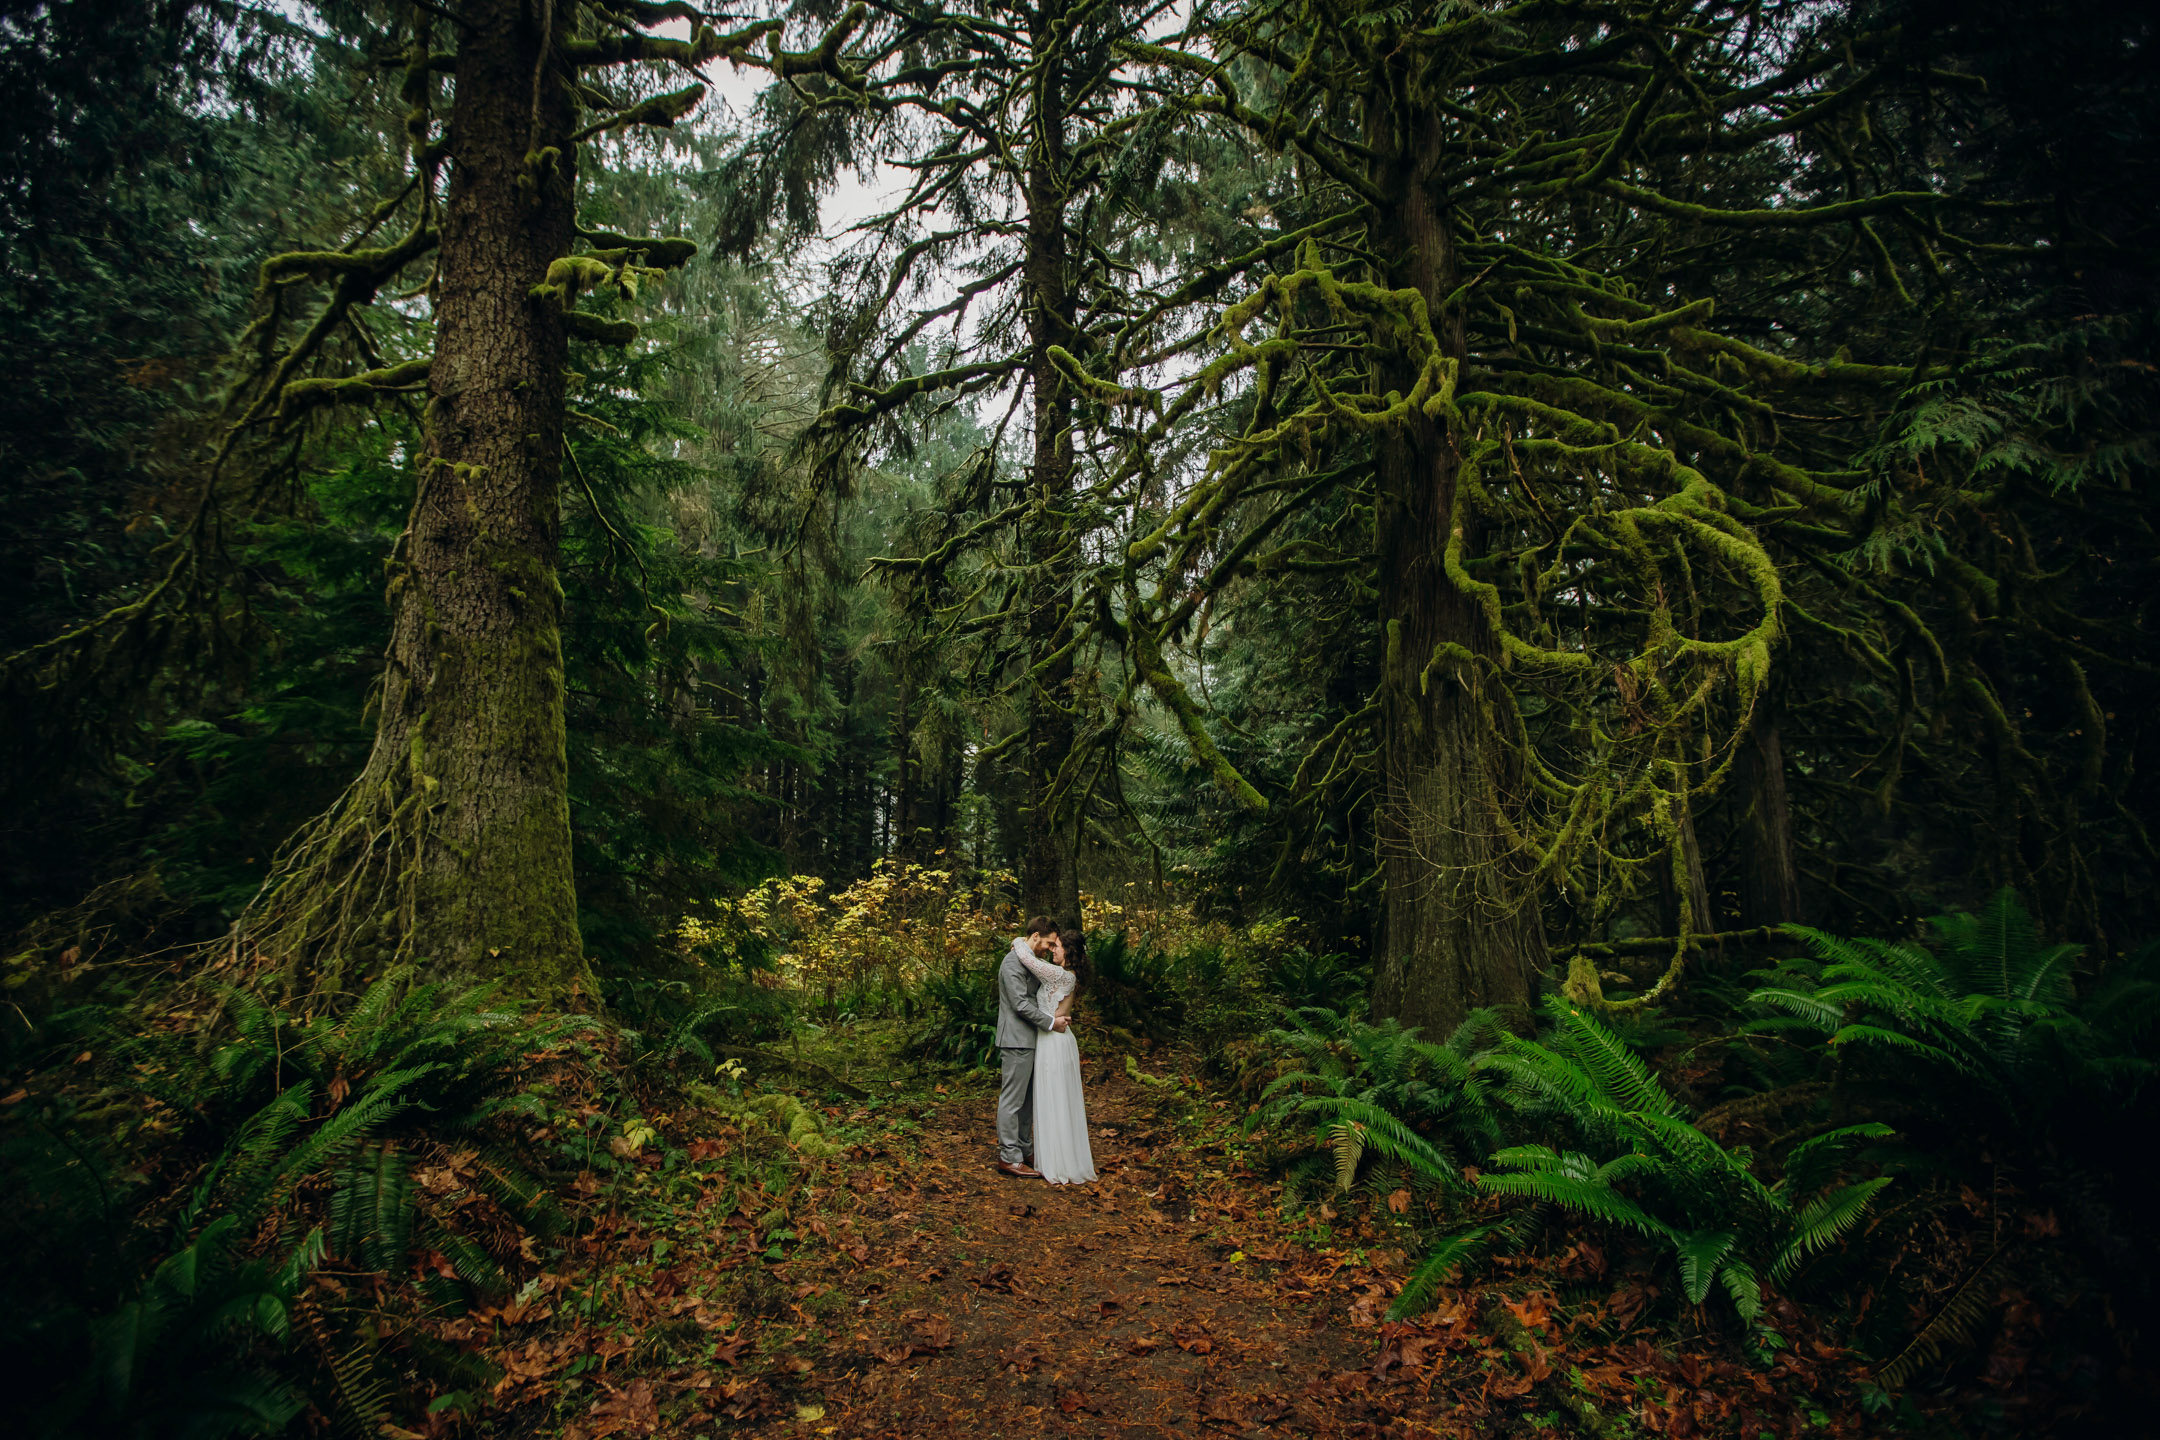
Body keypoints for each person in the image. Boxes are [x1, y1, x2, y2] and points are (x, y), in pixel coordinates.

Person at [1018, 927, 1096, 1185]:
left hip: (1054, 1042)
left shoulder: (1062, 976)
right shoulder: (1064, 975)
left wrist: (1021, 940)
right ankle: (1059, 1157)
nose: (1053, 949)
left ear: (1069, 952)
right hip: (1056, 1039)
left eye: (1058, 946)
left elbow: (1028, 959)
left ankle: (1058, 1162)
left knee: (1055, 1099)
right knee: (1056, 1099)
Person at [994, 915, 1067, 1178]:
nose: (1049, 949)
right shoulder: (1012, 962)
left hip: (1031, 1039)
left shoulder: (1030, 960)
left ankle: (1024, 1151)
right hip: (1015, 1039)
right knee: (1012, 1100)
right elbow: (1020, 1005)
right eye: (1048, 943)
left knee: (1026, 1101)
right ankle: (1008, 1156)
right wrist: (1051, 1022)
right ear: (1035, 936)